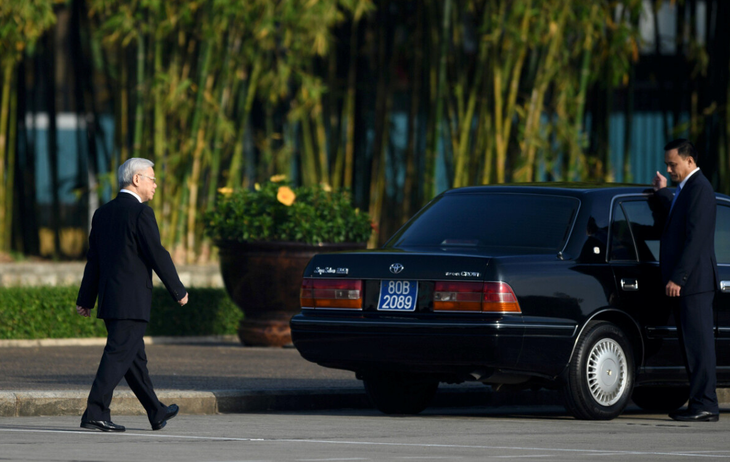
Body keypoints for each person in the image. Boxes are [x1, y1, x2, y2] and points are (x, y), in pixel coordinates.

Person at [76, 158, 189, 432]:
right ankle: (95, 411)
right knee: (118, 355)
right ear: (136, 179)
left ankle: (156, 410)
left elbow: (94, 260)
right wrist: (178, 290)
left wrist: (86, 298)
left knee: (134, 360)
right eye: (151, 178)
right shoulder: (141, 213)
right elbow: (157, 255)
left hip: (111, 299)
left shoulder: (102, 213)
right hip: (132, 301)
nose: (155, 184)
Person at [652, 139, 719, 422]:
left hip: (694, 283)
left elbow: (696, 238)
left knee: (700, 346)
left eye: (673, 164)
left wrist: (678, 277)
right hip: (688, 284)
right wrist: (662, 193)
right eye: (667, 164)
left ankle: (705, 405)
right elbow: (674, 223)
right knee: (691, 345)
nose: (669, 169)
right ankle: (698, 402)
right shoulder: (685, 189)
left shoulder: (700, 189)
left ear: (689, 161)